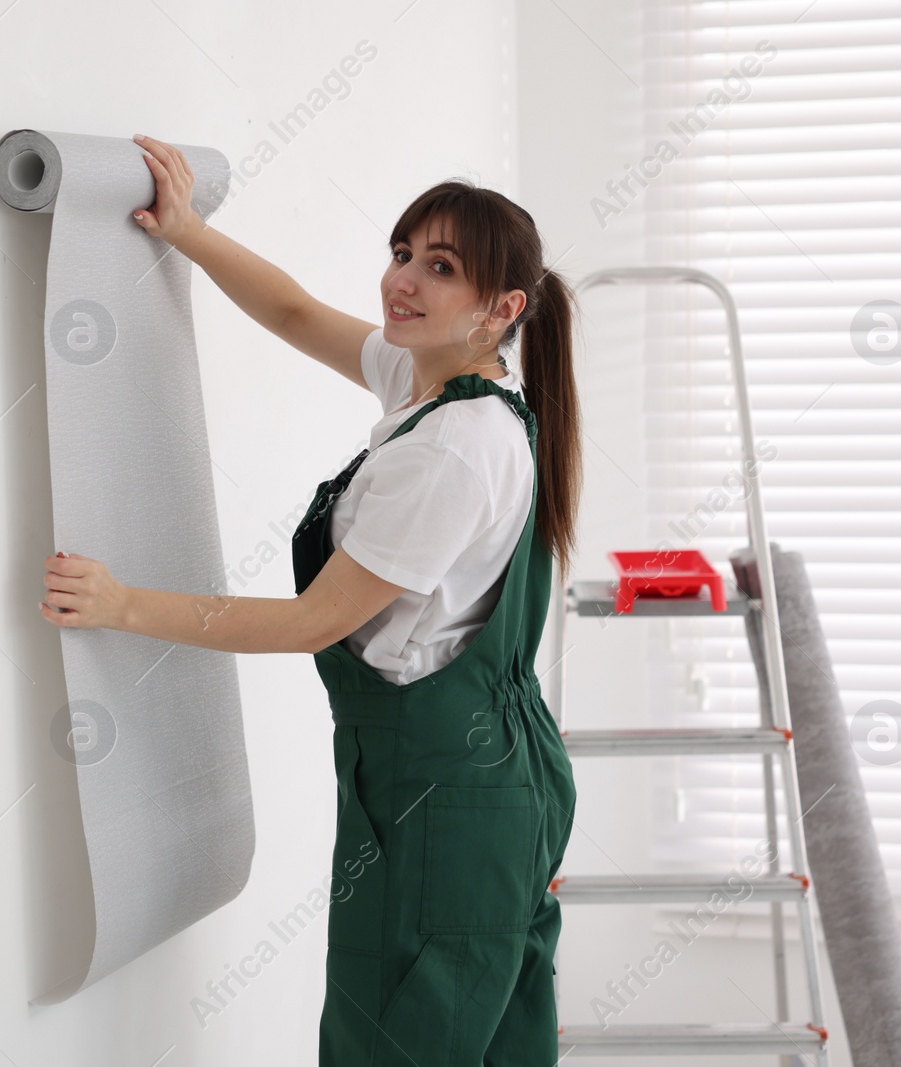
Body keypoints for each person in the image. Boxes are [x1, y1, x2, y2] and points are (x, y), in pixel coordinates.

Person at [39, 132, 581, 1065]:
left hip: (446, 794)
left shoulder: (452, 447)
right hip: (481, 782)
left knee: (396, 1041)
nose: (401, 280)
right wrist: (187, 231)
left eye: (439, 267)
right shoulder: (443, 386)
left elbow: (310, 623)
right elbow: (292, 311)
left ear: (502, 309)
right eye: (402, 252)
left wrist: (123, 605)